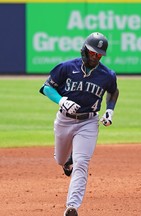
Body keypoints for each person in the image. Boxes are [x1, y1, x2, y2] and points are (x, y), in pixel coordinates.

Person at [39, 32, 119, 216]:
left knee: (82, 162)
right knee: (60, 159)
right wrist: (61, 101)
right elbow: (47, 87)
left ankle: (72, 206)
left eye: (99, 54)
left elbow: (113, 91)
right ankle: (67, 162)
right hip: (64, 120)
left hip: (89, 122)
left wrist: (110, 109)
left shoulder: (107, 74)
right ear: (85, 50)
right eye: (93, 52)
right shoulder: (67, 67)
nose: (96, 57)